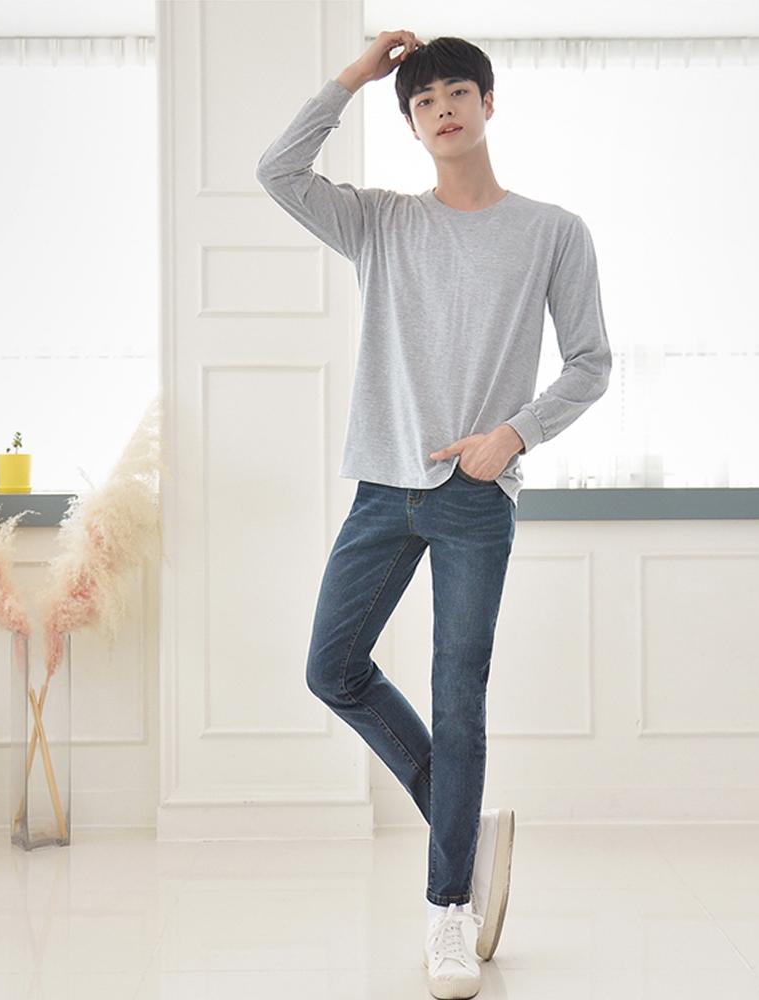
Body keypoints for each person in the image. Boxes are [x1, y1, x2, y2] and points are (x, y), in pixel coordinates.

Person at [256, 29, 611, 1000]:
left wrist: (514, 435)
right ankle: (465, 825)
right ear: (410, 124)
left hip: (476, 497)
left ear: (489, 104)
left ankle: (448, 910)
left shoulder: (553, 231)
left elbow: (589, 362)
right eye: (422, 100)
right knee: (332, 667)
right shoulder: (380, 222)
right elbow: (277, 171)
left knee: (459, 698)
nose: (442, 108)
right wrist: (352, 76)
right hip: (382, 486)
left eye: (457, 91)